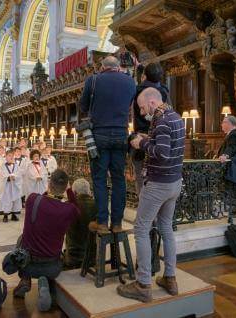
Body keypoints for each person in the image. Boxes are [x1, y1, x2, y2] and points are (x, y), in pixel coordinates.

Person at [117, 88, 185, 303]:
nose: (141, 111)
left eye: (142, 107)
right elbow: (167, 143)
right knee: (166, 227)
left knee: (141, 228)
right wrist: (149, 137)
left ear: (153, 101)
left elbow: (163, 153)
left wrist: (142, 143)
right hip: (174, 182)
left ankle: (143, 284)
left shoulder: (161, 120)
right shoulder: (174, 116)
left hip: (158, 184)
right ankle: (170, 279)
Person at [8, 169, 79, 312]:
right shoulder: (68, 210)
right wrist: (69, 190)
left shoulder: (32, 200)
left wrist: (49, 191)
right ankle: (45, 283)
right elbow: (76, 207)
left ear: (49, 183)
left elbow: (43, 198)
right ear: (65, 187)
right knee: (49, 247)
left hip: (27, 263)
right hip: (52, 266)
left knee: (22, 239)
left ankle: (25, 278)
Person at [79, 55, 136, 234]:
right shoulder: (129, 81)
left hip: (99, 136)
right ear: (118, 67)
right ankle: (117, 223)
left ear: (102, 67)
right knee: (119, 179)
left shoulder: (93, 80)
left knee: (99, 179)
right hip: (121, 134)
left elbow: (83, 106)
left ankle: (102, 222)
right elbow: (130, 105)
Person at [132, 63, 170, 193]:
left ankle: (144, 203)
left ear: (144, 75)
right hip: (162, 137)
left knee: (140, 174)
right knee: (159, 174)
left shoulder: (137, 90)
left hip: (141, 135)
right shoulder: (164, 90)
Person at [63, 178, 97, 269]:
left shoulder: (68, 206)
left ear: (74, 193)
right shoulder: (97, 206)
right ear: (89, 191)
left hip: (72, 259)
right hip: (92, 260)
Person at [0, 149, 23, 222]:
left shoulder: (16, 166)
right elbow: (2, 176)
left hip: (15, 186)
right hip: (7, 187)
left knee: (15, 200)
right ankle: (5, 215)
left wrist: (15, 177)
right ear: (6, 157)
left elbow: (19, 175)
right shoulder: (2, 166)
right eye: (9, 156)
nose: (11, 157)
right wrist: (8, 178)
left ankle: (14, 215)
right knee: (6, 200)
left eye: (12, 156)